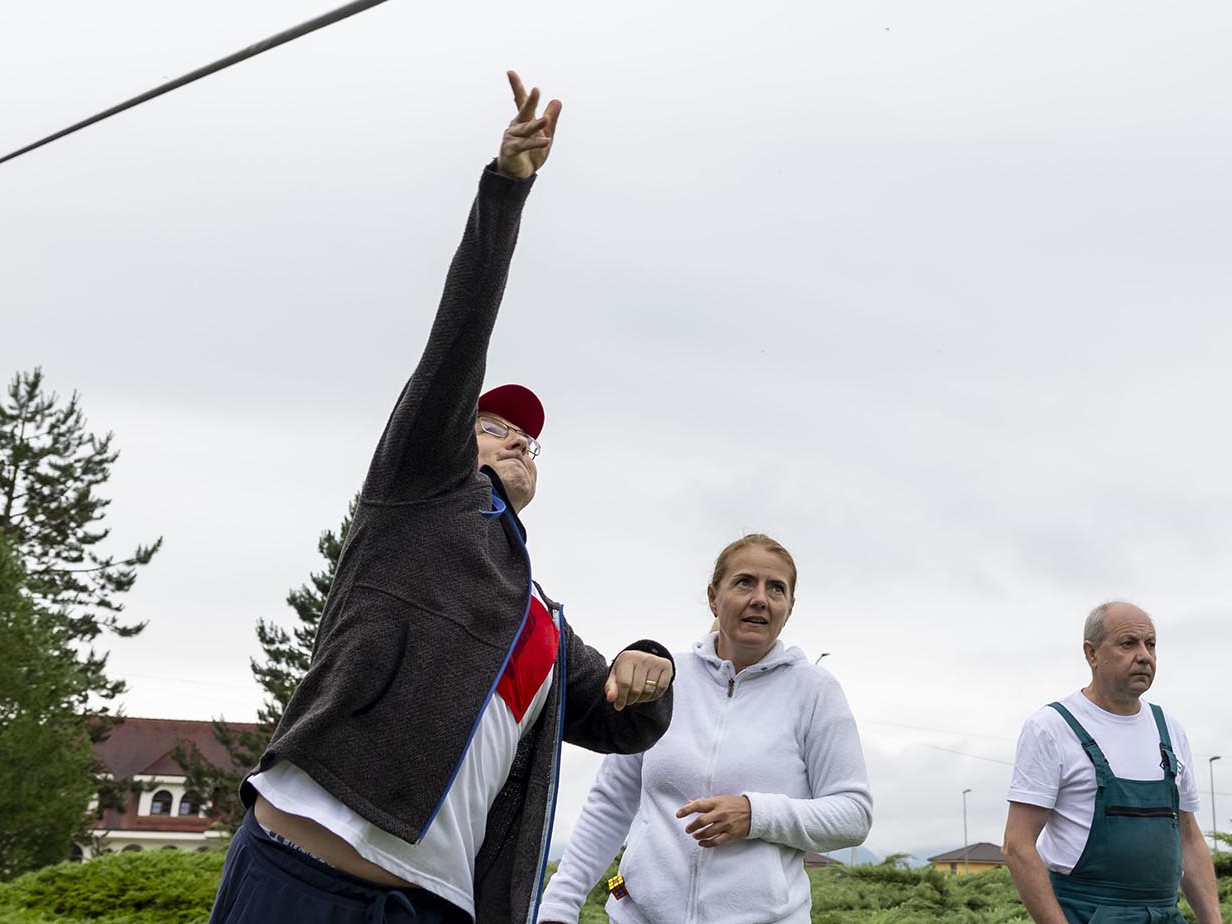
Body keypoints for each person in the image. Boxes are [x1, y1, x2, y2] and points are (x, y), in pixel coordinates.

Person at [207, 73, 679, 924]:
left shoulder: (538, 620)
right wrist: (507, 189)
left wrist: (653, 665)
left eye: (529, 438)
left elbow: (622, 722)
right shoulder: (418, 487)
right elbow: (460, 333)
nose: (518, 441)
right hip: (305, 875)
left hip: (438, 907)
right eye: (495, 426)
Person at [538, 533, 872, 924]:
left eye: (776, 588)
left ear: (789, 608)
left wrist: (755, 814)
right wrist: (558, 907)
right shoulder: (665, 682)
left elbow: (853, 814)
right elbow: (611, 803)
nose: (760, 598)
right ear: (714, 597)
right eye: (744, 582)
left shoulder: (815, 691)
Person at [1002, 601, 1222, 924]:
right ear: (1091, 654)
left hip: (1166, 913)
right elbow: (1017, 845)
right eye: (1128, 644)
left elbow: (1189, 838)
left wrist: (1213, 920)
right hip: (1086, 913)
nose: (1144, 656)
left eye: (1150, 644)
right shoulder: (1052, 728)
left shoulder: (1169, 729)